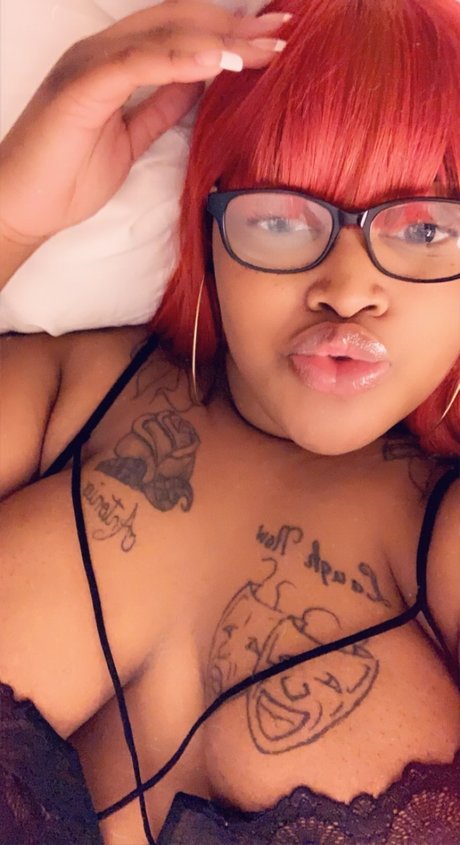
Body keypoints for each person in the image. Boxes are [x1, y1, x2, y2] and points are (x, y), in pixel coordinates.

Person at [0, 0, 459, 842]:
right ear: (206, 224)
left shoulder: (447, 543)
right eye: (281, 218)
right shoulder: (63, 396)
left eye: (426, 227)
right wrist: (10, 217)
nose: (348, 289)